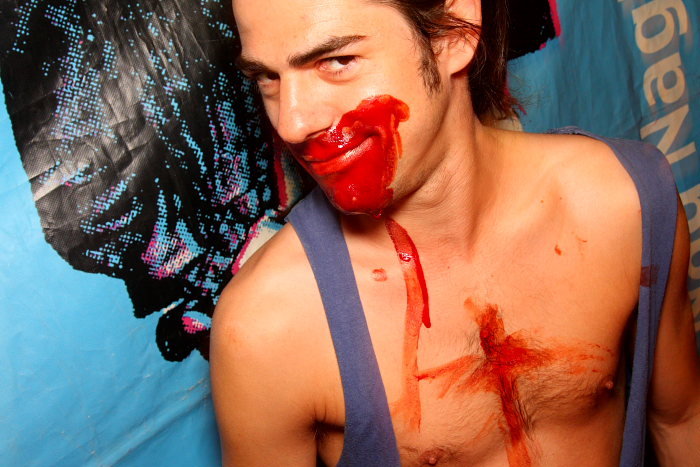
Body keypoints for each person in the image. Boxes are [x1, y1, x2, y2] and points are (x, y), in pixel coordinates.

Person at [210, 0, 700, 465]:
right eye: (268, 77)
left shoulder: (623, 202)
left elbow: (681, 420)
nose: (293, 123)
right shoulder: (267, 328)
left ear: (452, 35)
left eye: (337, 62)